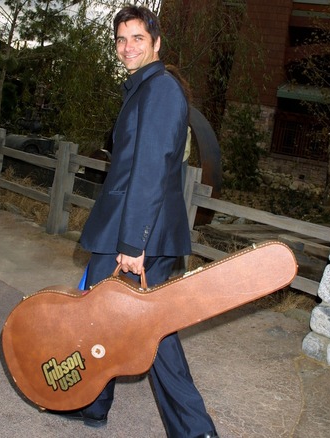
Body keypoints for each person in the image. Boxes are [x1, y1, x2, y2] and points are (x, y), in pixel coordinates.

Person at [64, 6, 218, 438]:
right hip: (128, 226)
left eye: (137, 38)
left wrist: (133, 243)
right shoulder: (144, 89)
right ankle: (94, 404)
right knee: (122, 322)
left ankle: (194, 430)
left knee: (147, 330)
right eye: (120, 39)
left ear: (156, 43)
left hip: (137, 235)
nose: (127, 47)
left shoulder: (161, 91)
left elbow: (150, 169)